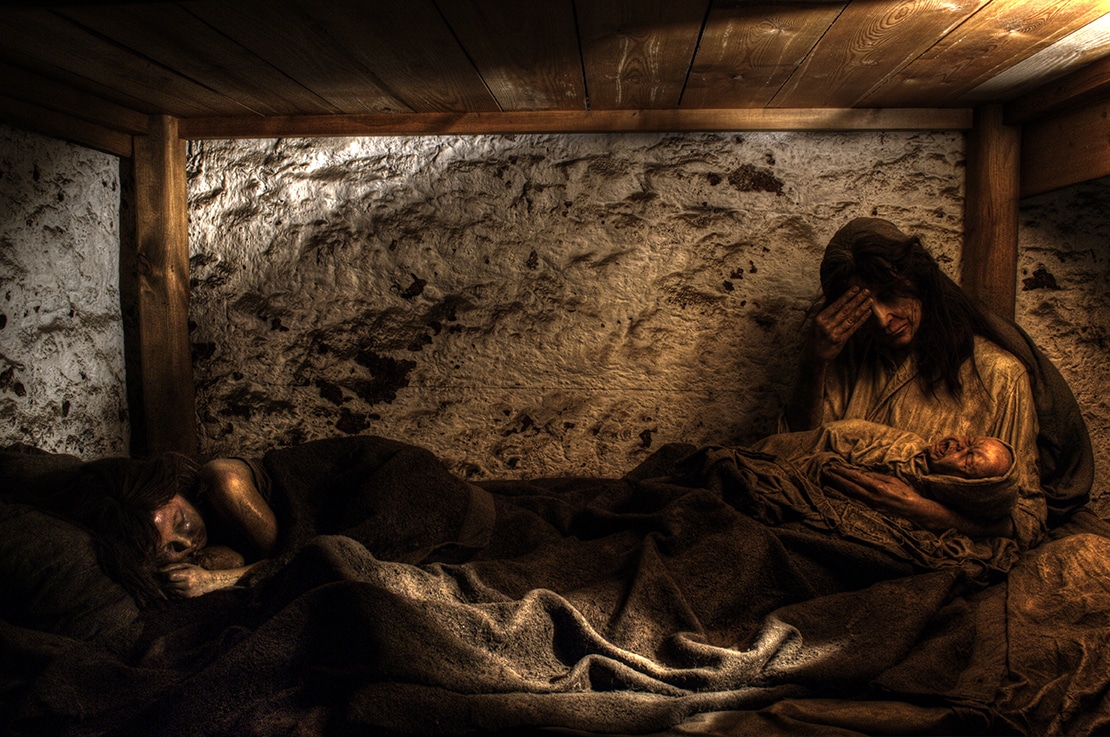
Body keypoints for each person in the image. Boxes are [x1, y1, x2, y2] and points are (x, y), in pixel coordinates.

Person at [781, 217, 1045, 545]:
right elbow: (795, 454)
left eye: (889, 295)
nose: (880, 319)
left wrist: (924, 511)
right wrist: (814, 362)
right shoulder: (848, 358)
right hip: (828, 534)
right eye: (861, 306)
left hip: (913, 551)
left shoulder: (1000, 376)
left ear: (919, 282)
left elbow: (1028, 520)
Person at [752, 419, 1020, 526]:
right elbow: (825, 438)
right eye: (970, 439)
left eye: (969, 458)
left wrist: (918, 508)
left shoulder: (925, 508)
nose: (959, 444)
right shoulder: (901, 444)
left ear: (960, 488)